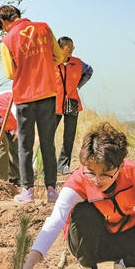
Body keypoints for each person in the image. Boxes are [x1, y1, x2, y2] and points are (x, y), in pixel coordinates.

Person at [9, 123, 135, 269]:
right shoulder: (76, 183)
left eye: (105, 174)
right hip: (91, 244)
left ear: (120, 167)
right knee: (82, 212)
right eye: (91, 172)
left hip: (123, 238)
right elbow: (53, 223)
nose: (97, 180)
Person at [0, 5, 64, 203]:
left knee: (25, 146)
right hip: (47, 93)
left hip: (25, 97)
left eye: (2, 27)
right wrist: (41, 62)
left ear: (4, 22)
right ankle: (52, 191)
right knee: (47, 143)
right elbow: (59, 57)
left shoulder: (7, 40)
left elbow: (10, 73)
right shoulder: (44, 28)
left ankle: (28, 191)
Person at [54, 36, 93, 175]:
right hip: (54, 103)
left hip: (72, 102)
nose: (71, 49)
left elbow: (89, 71)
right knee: (47, 135)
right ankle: (45, 165)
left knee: (69, 135)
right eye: (68, 46)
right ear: (60, 48)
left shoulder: (77, 63)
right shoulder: (51, 62)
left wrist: (78, 85)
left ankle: (63, 165)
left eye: (72, 47)